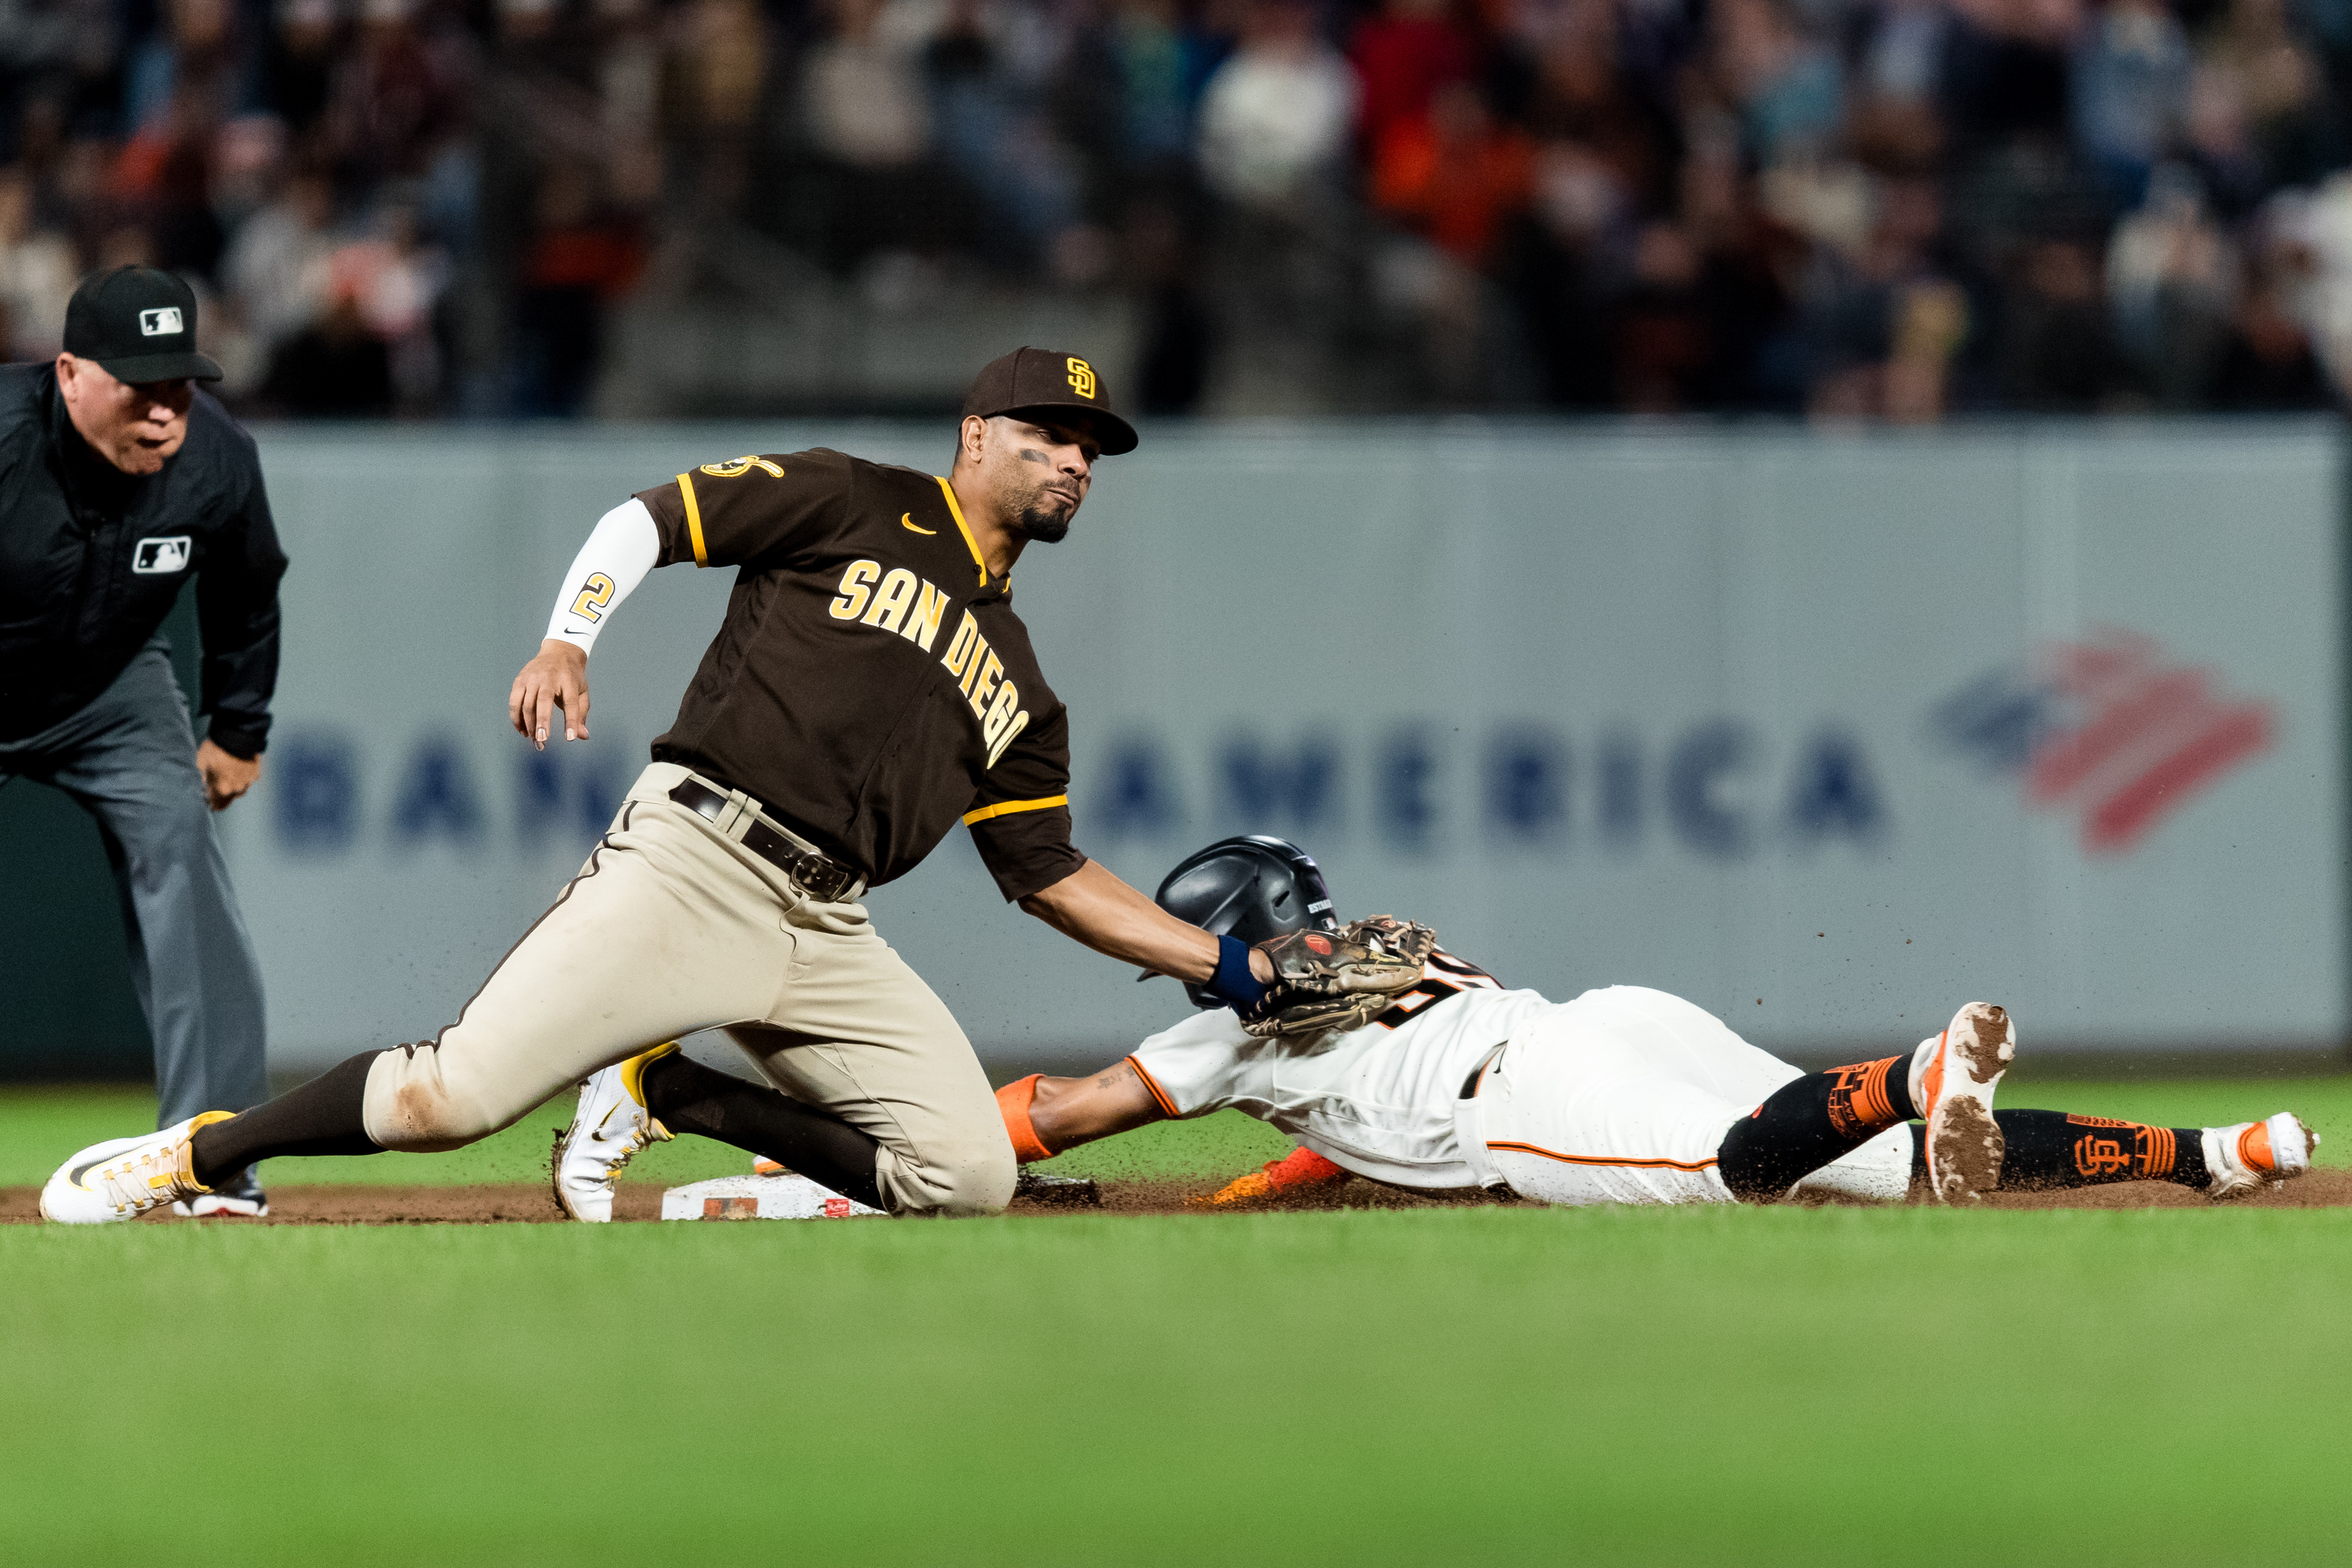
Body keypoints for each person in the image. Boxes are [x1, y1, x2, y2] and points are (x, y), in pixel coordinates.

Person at [40, 348, 1303, 1224]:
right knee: (448, 1099)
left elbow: (1047, 874)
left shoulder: (1023, 684)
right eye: (1047, 436)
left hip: (828, 929)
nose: (1073, 461)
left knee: (964, 1175)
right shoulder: (854, 498)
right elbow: (650, 518)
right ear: (977, 435)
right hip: (696, 863)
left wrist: (1221, 964)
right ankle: (191, 1157)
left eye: (1089, 448)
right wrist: (567, 636)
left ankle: (668, 1088)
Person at [994, 837, 2318, 1210]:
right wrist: (1268, 1186)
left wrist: (914, 1144)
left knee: (1737, 1170)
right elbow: (1354, 1121)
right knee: (1895, 1169)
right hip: (1609, 1015)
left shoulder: (1230, 1018)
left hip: (1525, 1098)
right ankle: (2214, 1151)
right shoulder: (1390, 950)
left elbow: (1059, 1119)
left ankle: (1913, 1067)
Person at [1, 265, 287, 1218]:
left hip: (108, 688)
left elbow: (247, 593)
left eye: (180, 386)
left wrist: (239, 727)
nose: (166, 411)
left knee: (183, 858)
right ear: (70, 371)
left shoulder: (216, 459)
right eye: (139, 386)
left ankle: (211, 1159)